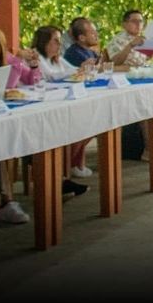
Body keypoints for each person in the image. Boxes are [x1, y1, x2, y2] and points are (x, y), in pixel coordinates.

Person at [0, 25, 45, 224]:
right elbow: (2, 87)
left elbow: (32, 80)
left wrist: (33, 67)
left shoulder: (10, 60)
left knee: (34, 130)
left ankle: (51, 184)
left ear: (1, 46)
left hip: (2, 114)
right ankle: (7, 201)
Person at [29, 25, 93, 193]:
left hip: (57, 100)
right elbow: (51, 76)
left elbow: (71, 70)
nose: (59, 45)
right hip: (41, 105)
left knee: (86, 122)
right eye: (55, 41)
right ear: (44, 43)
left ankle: (65, 170)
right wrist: (78, 70)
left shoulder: (57, 58)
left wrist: (82, 67)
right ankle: (59, 174)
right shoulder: (36, 57)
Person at [105, 11, 151, 159]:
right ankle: (148, 148)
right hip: (123, 81)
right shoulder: (117, 40)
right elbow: (115, 62)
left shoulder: (142, 40)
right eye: (134, 21)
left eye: (141, 21)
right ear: (125, 24)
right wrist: (130, 45)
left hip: (140, 77)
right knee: (146, 103)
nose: (138, 24)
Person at [61, 18, 102, 178]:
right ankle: (69, 163)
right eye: (92, 33)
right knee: (87, 123)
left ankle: (75, 162)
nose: (96, 35)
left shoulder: (90, 51)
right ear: (81, 38)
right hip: (73, 97)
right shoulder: (74, 53)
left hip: (87, 93)